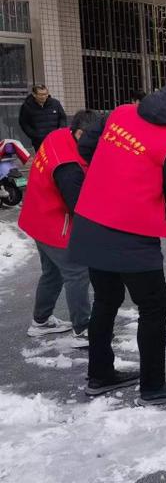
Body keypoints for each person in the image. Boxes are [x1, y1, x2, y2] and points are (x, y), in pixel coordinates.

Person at [69, 84, 166, 405]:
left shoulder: (122, 112)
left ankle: (100, 374)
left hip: (90, 220)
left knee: (106, 298)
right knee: (154, 304)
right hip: (130, 233)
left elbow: (86, 147)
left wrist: (114, 173)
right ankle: (153, 385)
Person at [17, 110, 101, 349]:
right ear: (81, 133)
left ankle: (40, 322)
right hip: (54, 223)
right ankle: (83, 329)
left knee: (52, 272)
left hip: (36, 216)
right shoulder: (69, 167)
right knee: (77, 272)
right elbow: (80, 208)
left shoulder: (58, 136)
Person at [18, 84, 67, 151]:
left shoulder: (55, 103)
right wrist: (34, 135)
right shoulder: (27, 106)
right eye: (40, 94)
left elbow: (62, 118)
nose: (43, 96)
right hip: (39, 142)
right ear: (34, 94)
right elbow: (23, 122)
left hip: (55, 140)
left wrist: (61, 129)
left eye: (45, 94)